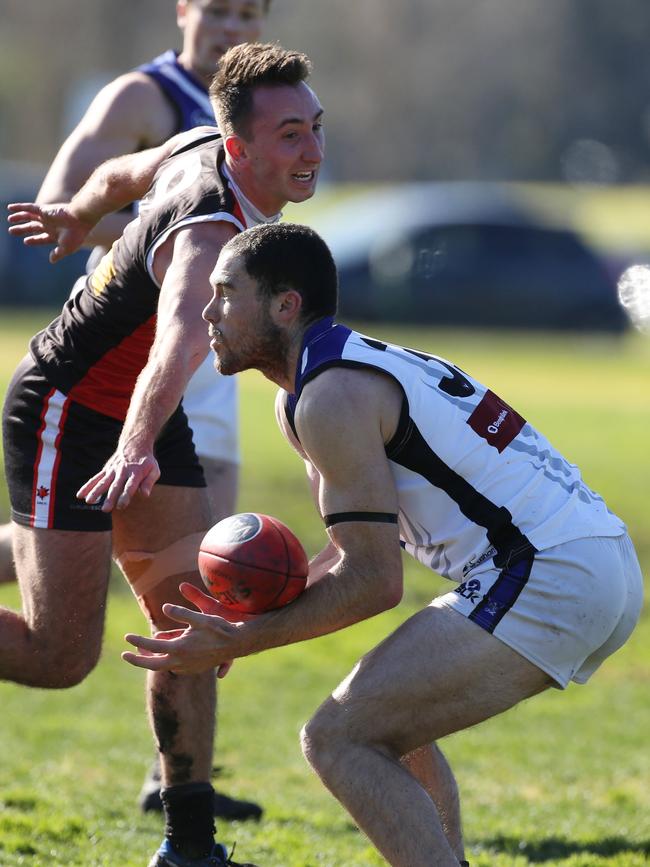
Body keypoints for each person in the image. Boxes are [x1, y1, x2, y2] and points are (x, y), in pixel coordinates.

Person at [120, 222, 643, 867]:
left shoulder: (332, 396)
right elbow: (350, 554)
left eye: (226, 293)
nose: (207, 310)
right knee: (388, 727)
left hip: (550, 570)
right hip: (594, 560)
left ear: (285, 305)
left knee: (336, 738)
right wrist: (245, 618)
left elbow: (374, 582)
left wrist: (246, 640)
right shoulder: (322, 385)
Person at [4, 43, 323, 867]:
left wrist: (76, 216)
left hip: (142, 413)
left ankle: (190, 845)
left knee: (196, 623)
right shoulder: (215, 226)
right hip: (67, 408)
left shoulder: (193, 141)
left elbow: (117, 176)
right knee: (59, 655)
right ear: (242, 147)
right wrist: (136, 446)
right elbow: (174, 341)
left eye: (315, 128)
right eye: (290, 135)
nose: (313, 151)